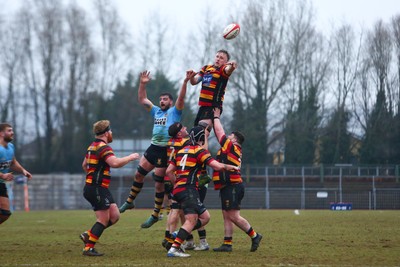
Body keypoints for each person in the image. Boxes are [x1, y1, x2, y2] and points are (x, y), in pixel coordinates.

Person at [119, 70, 196, 229]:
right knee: (139, 174)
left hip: (165, 150)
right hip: (153, 147)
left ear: (171, 101)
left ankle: (155, 214)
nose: (162, 101)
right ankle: (129, 202)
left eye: (165, 99)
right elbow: (142, 99)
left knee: (159, 184)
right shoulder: (156, 111)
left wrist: (184, 82)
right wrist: (143, 83)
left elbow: (181, 98)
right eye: (160, 99)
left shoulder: (175, 111)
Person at [166, 126, 239, 257]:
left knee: (205, 217)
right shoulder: (199, 151)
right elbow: (217, 166)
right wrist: (231, 167)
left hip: (179, 189)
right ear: (201, 137)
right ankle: (174, 248)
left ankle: (179, 234)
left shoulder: (180, 150)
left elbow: (168, 171)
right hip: (188, 189)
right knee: (191, 220)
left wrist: (176, 183)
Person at [80, 120, 140, 256]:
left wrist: (92, 176)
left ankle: (88, 235)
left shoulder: (92, 146)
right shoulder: (103, 147)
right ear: (107, 133)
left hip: (97, 187)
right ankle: (88, 247)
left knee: (114, 215)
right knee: (103, 219)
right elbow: (114, 163)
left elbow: (85, 165)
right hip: (96, 188)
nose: (112, 134)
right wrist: (130, 157)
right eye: (111, 131)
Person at [211, 108, 262, 252]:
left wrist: (215, 117)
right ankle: (227, 244)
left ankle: (255, 235)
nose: (227, 136)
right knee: (227, 215)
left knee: (233, 216)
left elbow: (219, 132)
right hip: (228, 186)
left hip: (232, 186)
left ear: (234, 140)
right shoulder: (231, 148)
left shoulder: (232, 147)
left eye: (230, 136)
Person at [190, 49, 237, 128]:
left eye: (221, 58)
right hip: (202, 106)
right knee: (195, 134)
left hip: (213, 106)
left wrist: (232, 66)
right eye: (217, 56)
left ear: (226, 62)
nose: (218, 59)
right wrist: (191, 76)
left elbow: (228, 70)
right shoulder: (206, 68)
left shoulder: (222, 69)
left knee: (201, 132)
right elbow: (194, 81)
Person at [0, 123, 32, 225]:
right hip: (1, 179)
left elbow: (13, 162)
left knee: (5, 213)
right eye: (9, 130)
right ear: (1, 133)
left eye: (12, 130)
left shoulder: (10, 147)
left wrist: (23, 171)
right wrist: (2, 175)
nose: (12, 133)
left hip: (0, 183)